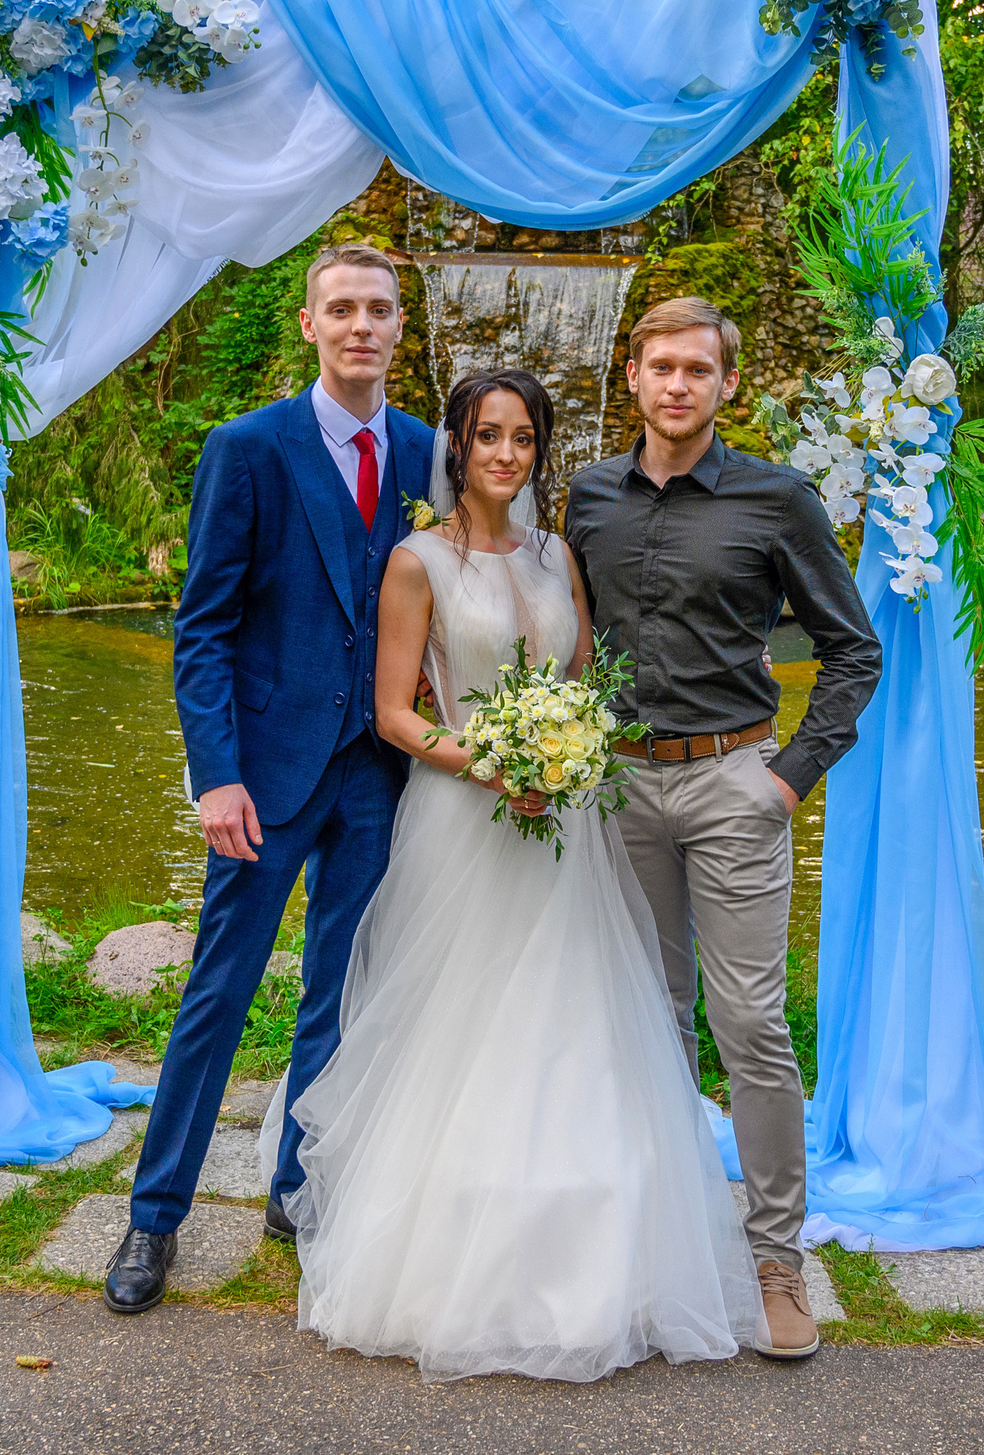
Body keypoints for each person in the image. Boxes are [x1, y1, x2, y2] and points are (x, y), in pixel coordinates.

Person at [280, 367, 763, 1382]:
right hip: (466, 819)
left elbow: (581, 680)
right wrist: (494, 762)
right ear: (456, 445)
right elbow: (396, 714)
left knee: (577, 1019)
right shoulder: (416, 561)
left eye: (523, 439)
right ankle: (443, 1249)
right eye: (487, 436)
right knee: (464, 1025)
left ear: (540, 452)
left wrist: (569, 751)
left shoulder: (558, 555)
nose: (505, 455)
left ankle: (601, 1248)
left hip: (566, 821)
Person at [101, 242, 435, 1315]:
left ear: (398, 327)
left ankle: (297, 1181)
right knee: (218, 997)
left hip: (376, 776)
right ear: (309, 326)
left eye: (378, 310)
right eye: (340, 309)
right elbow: (201, 628)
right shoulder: (246, 449)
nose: (360, 328)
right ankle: (154, 1221)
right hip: (266, 777)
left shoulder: (428, 452)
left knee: (339, 995)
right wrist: (215, 778)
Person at [562, 296, 883, 1362]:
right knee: (650, 1020)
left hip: (733, 784)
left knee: (750, 1027)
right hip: (616, 789)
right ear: (634, 376)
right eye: (660, 367)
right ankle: (658, 1244)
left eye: (697, 370)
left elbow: (852, 651)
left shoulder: (777, 499)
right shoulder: (589, 496)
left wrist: (787, 778)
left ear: (725, 385)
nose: (677, 385)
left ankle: (775, 1260)